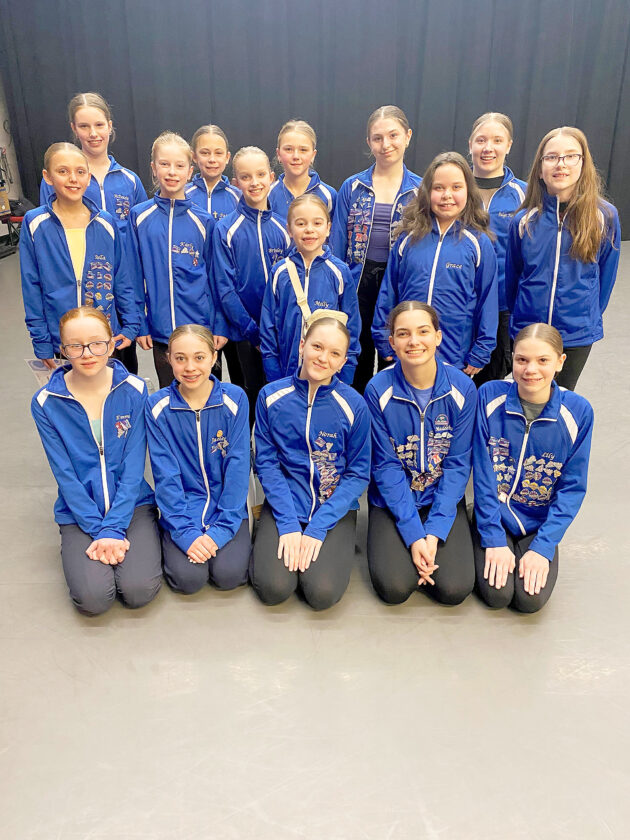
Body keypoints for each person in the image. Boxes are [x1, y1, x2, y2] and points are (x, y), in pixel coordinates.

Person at [31, 306, 162, 616]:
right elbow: (64, 474)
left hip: (132, 505)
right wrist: (99, 530)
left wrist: (115, 527)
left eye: (97, 343)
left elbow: (134, 467)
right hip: (79, 511)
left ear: (112, 343)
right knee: (94, 599)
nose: (87, 353)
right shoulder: (46, 403)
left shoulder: (135, 390)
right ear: (63, 350)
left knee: (138, 590)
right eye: (75, 346)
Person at [472, 323, 593, 612]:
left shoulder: (578, 412)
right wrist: (493, 538)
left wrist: (543, 546)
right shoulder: (489, 396)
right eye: (522, 360)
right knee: (497, 595)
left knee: (529, 601)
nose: (531, 370)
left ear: (560, 362)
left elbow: (572, 487)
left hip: (538, 522)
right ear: (512, 358)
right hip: (494, 515)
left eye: (543, 360)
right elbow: (483, 474)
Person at [251, 318, 370, 610]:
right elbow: (266, 463)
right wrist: (288, 522)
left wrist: (318, 526)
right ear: (302, 346)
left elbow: (357, 474)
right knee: (274, 588)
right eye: (317, 346)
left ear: (343, 362)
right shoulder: (270, 397)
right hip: (285, 503)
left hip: (333, 507)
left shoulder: (354, 406)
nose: (323, 358)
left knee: (321, 593)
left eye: (334, 353)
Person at [365, 301, 477, 606]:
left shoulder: (462, 389)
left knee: (455, 589)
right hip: (393, 499)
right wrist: (414, 534)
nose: (414, 341)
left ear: (438, 337)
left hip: (440, 496)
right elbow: (385, 467)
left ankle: (449, 527)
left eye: (423, 331)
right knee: (394, 588)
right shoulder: (377, 390)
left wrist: (435, 531)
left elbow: (457, 465)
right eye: (403, 334)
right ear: (392, 343)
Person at [505, 126, 620, 391]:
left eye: (571, 156)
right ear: (540, 167)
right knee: (526, 396)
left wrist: (584, 315)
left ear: (583, 163)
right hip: (528, 329)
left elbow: (605, 277)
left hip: (575, 332)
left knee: (561, 399)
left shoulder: (604, 216)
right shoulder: (523, 220)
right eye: (552, 157)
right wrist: (523, 315)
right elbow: (514, 278)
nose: (561, 164)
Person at [40, 92, 147, 374]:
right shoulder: (61, 179)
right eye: (84, 126)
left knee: (121, 373)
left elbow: (138, 246)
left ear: (110, 126)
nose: (93, 133)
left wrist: (135, 308)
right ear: (74, 129)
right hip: (72, 299)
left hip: (119, 296)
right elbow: (48, 245)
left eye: (99, 125)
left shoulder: (129, 181)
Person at [372, 151, 498, 377]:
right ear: (427, 191)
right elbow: (388, 290)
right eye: (438, 188)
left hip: (454, 356)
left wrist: (482, 349)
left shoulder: (479, 243)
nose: (447, 195)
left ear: (468, 191)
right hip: (406, 352)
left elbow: (487, 300)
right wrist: (382, 335)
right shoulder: (408, 238)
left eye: (456, 187)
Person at [145, 325, 251, 595]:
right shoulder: (157, 407)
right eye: (180, 358)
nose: (190, 367)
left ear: (214, 357)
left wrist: (222, 530)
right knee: (188, 580)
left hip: (226, 510)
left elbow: (238, 467)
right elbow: (165, 475)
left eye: (199, 357)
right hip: (182, 511)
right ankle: (171, 534)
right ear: (168, 359)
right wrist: (185, 532)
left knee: (229, 575)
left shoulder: (235, 399)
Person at [21, 143, 138, 370]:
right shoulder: (34, 223)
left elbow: (121, 277)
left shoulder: (106, 222)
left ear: (88, 177)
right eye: (63, 171)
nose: (73, 178)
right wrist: (41, 340)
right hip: (63, 340)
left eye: (80, 171)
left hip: (104, 337)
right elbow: (31, 286)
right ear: (47, 176)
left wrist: (131, 324)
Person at [330, 105, 421, 392]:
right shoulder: (353, 186)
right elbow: (336, 242)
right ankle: (355, 410)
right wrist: (337, 285)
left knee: (393, 351)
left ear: (407, 136)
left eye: (393, 135)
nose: (386, 144)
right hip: (357, 281)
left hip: (399, 282)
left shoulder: (420, 191)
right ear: (369, 142)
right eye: (378, 138)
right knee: (355, 350)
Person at [128, 131, 224, 389]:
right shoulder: (139, 217)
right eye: (164, 164)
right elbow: (132, 276)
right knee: (170, 396)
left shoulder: (204, 221)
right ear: (153, 168)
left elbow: (216, 279)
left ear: (190, 171)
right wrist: (140, 323)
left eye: (179, 165)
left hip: (201, 329)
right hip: (161, 332)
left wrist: (219, 324)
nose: (172, 172)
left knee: (206, 395)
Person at [213, 146, 291, 424]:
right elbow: (225, 289)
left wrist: (276, 329)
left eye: (260, 175)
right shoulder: (225, 230)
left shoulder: (284, 228)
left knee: (279, 395)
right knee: (248, 394)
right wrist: (253, 333)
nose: (254, 182)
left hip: (280, 332)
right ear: (236, 182)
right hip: (245, 334)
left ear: (271, 177)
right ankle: (243, 447)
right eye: (246, 177)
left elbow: (291, 286)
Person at [260, 194, 361, 384]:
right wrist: (273, 374)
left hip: (329, 377)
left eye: (317, 223)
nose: (309, 230)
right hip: (286, 374)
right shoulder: (279, 272)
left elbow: (352, 327)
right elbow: (268, 326)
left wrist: (345, 376)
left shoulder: (340, 272)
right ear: (289, 230)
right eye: (301, 223)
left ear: (328, 228)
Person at [467, 112, 526, 385]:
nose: (488, 148)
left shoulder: (524, 195)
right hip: (460, 302)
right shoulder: (454, 190)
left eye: (497, 140)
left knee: (492, 381)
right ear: (470, 144)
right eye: (481, 140)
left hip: (503, 307)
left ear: (509, 145)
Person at [186, 124, 243, 388]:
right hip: (196, 304)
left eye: (218, 153)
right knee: (205, 380)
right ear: (194, 156)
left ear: (227, 157)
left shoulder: (239, 198)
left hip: (232, 303)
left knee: (242, 380)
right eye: (205, 152)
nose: (212, 159)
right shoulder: (183, 195)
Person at [268, 119, 337, 223]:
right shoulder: (267, 195)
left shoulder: (329, 196)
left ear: (313, 155)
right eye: (288, 149)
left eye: (303, 150)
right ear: (278, 154)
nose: (296, 156)